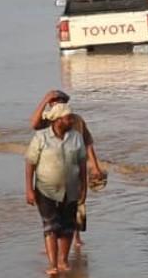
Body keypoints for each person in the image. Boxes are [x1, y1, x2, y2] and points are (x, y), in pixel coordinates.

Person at [30, 90, 103, 249]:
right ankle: (54, 241)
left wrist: (95, 166)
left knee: (77, 204)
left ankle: (75, 236)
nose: (55, 104)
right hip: (52, 171)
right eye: (53, 102)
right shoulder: (49, 120)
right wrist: (44, 99)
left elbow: (88, 143)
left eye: (58, 101)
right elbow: (34, 124)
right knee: (53, 209)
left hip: (75, 167)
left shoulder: (76, 121)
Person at [25, 102, 88, 276]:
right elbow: (30, 163)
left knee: (68, 226)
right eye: (69, 118)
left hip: (71, 189)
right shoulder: (41, 137)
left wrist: (84, 188)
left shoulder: (76, 137)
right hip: (45, 189)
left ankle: (64, 260)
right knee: (51, 226)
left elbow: (82, 164)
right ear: (58, 120)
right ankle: (53, 264)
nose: (72, 120)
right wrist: (29, 189)